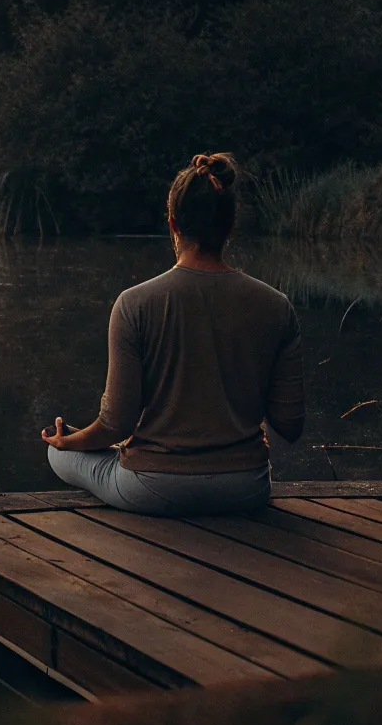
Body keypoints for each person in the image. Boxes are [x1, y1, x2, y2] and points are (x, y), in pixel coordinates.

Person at [41, 152, 305, 516]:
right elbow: (290, 426)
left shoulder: (134, 304)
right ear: (230, 226)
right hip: (245, 487)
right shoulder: (276, 306)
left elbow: (116, 423)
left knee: (58, 453)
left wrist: (69, 441)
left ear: (173, 224)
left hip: (152, 488)